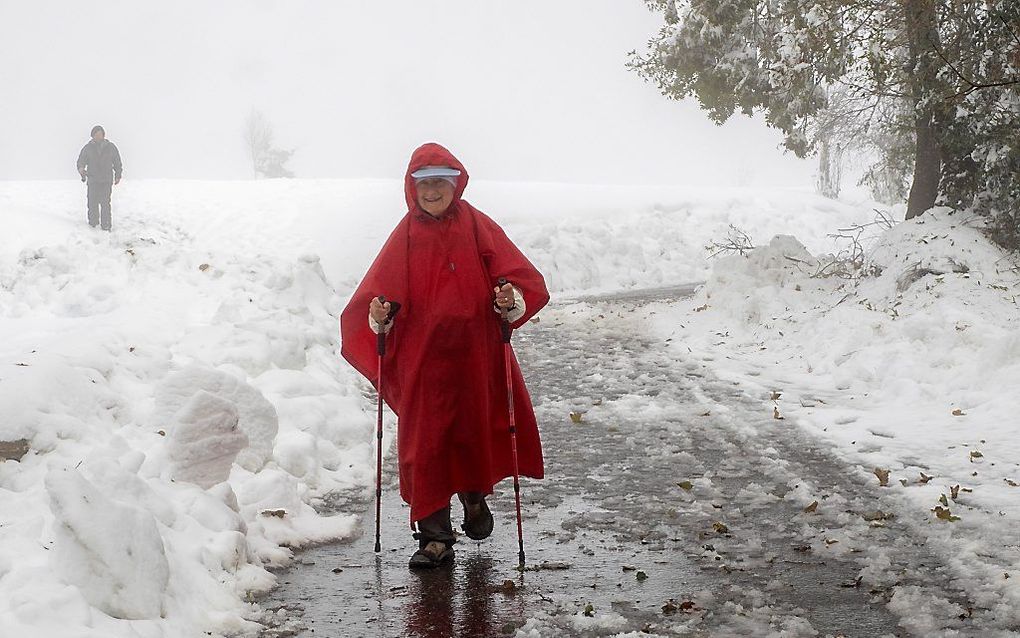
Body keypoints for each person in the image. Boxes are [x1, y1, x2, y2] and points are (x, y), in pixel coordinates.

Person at [340, 142, 549, 569]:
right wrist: (380, 315)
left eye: (440, 182)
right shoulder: (405, 235)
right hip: (424, 361)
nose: (431, 191)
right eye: (424, 183)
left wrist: (508, 300)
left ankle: (474, 502)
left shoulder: (477, 225)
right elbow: (378, 297)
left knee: (473, 432)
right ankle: (434, 537)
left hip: (477, 354)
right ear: (411, 188)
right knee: (426, 445)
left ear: (455, 185)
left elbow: (519, 279)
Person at [76, 125, 123, 231]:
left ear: (103, 135)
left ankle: (106, 225)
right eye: (95, 135)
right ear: (92, 136)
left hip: (106, 180)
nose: (98, 136)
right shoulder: (87, 148)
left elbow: (117, 162)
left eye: (100, 134)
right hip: (93, 180)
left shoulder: (111, 147)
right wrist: (81, 168)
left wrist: (118, 175)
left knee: (105, 203)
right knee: (92, 202)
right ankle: (93, 224)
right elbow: (81, 161)